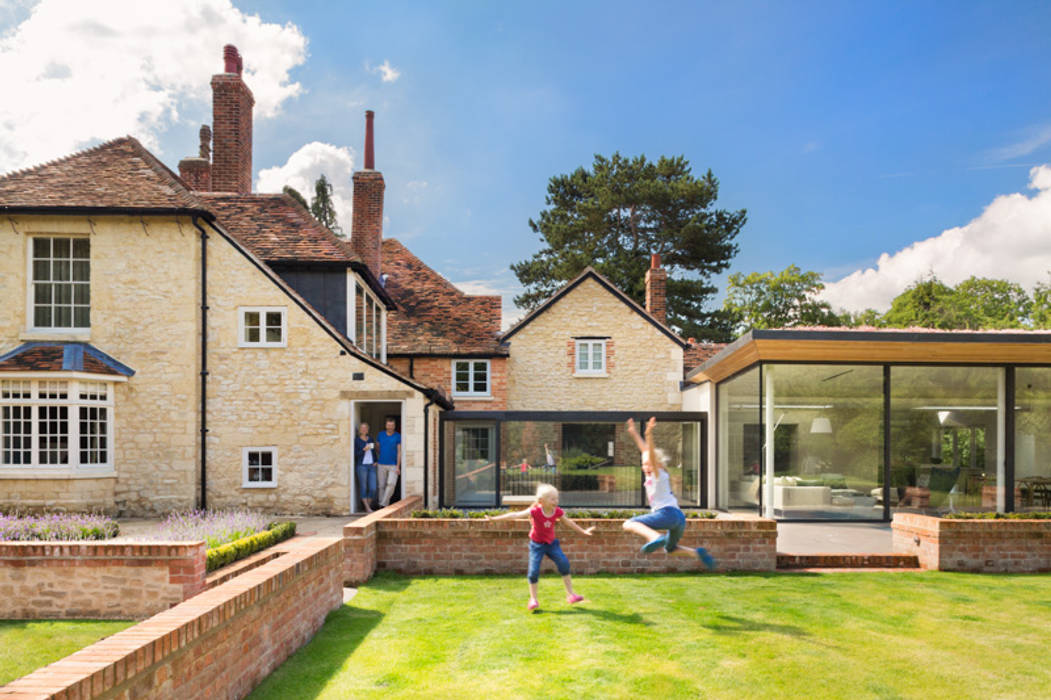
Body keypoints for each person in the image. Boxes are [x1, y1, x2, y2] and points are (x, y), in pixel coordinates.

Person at [622, 417, 716, 569]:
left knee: (629, 523)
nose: (645, 467)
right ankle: (697, 553)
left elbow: (650, 453)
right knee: (670, 549)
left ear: (657, 464)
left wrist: (649, 434)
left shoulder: (657, 474)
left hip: (667, 514)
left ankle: (655, 537)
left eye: (648, 464)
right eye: (643, 464)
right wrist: (634, 434)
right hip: (679, 519)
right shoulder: (659, 474)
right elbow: (646, 451)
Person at [486, 483, 594, 611]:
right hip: (537, 545)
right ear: (542, 501)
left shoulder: (557, 511)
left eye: (556, 498)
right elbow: (514, 515)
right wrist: (494, 519)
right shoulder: (535, 511)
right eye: (552, 499)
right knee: (533, 572)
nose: (556, 501)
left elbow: (569, 523)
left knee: (564, 563)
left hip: (551, 544)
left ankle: (571, 595)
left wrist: (583, 531)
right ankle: (533, 599)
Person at [376, 416, 402, 507]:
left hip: (393, 465)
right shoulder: (380, 434)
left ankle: (383, 503)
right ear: (386, 426)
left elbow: (399, 452)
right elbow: (377, 447)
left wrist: (398, 466)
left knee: (391, 484)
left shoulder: (398, 436)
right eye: (388, 425)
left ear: (394, 426)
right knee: (381, 486)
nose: (390, 427)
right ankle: (382, 505)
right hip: (381, 464)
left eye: (392, 425)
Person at [354, 422, 377, 513]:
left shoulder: (370, 439)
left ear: (367, 430)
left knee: (373, 488)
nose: (364, 430)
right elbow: (355, 454)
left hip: (371, 465)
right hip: (362, 466)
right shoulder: (357, 440)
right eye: (362, 428)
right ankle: (367, 507)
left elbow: (373, 451)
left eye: (365, 428)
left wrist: (375, 461)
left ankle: (368, 505)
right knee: (363, 487)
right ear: (360, 430)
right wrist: (364, 450)